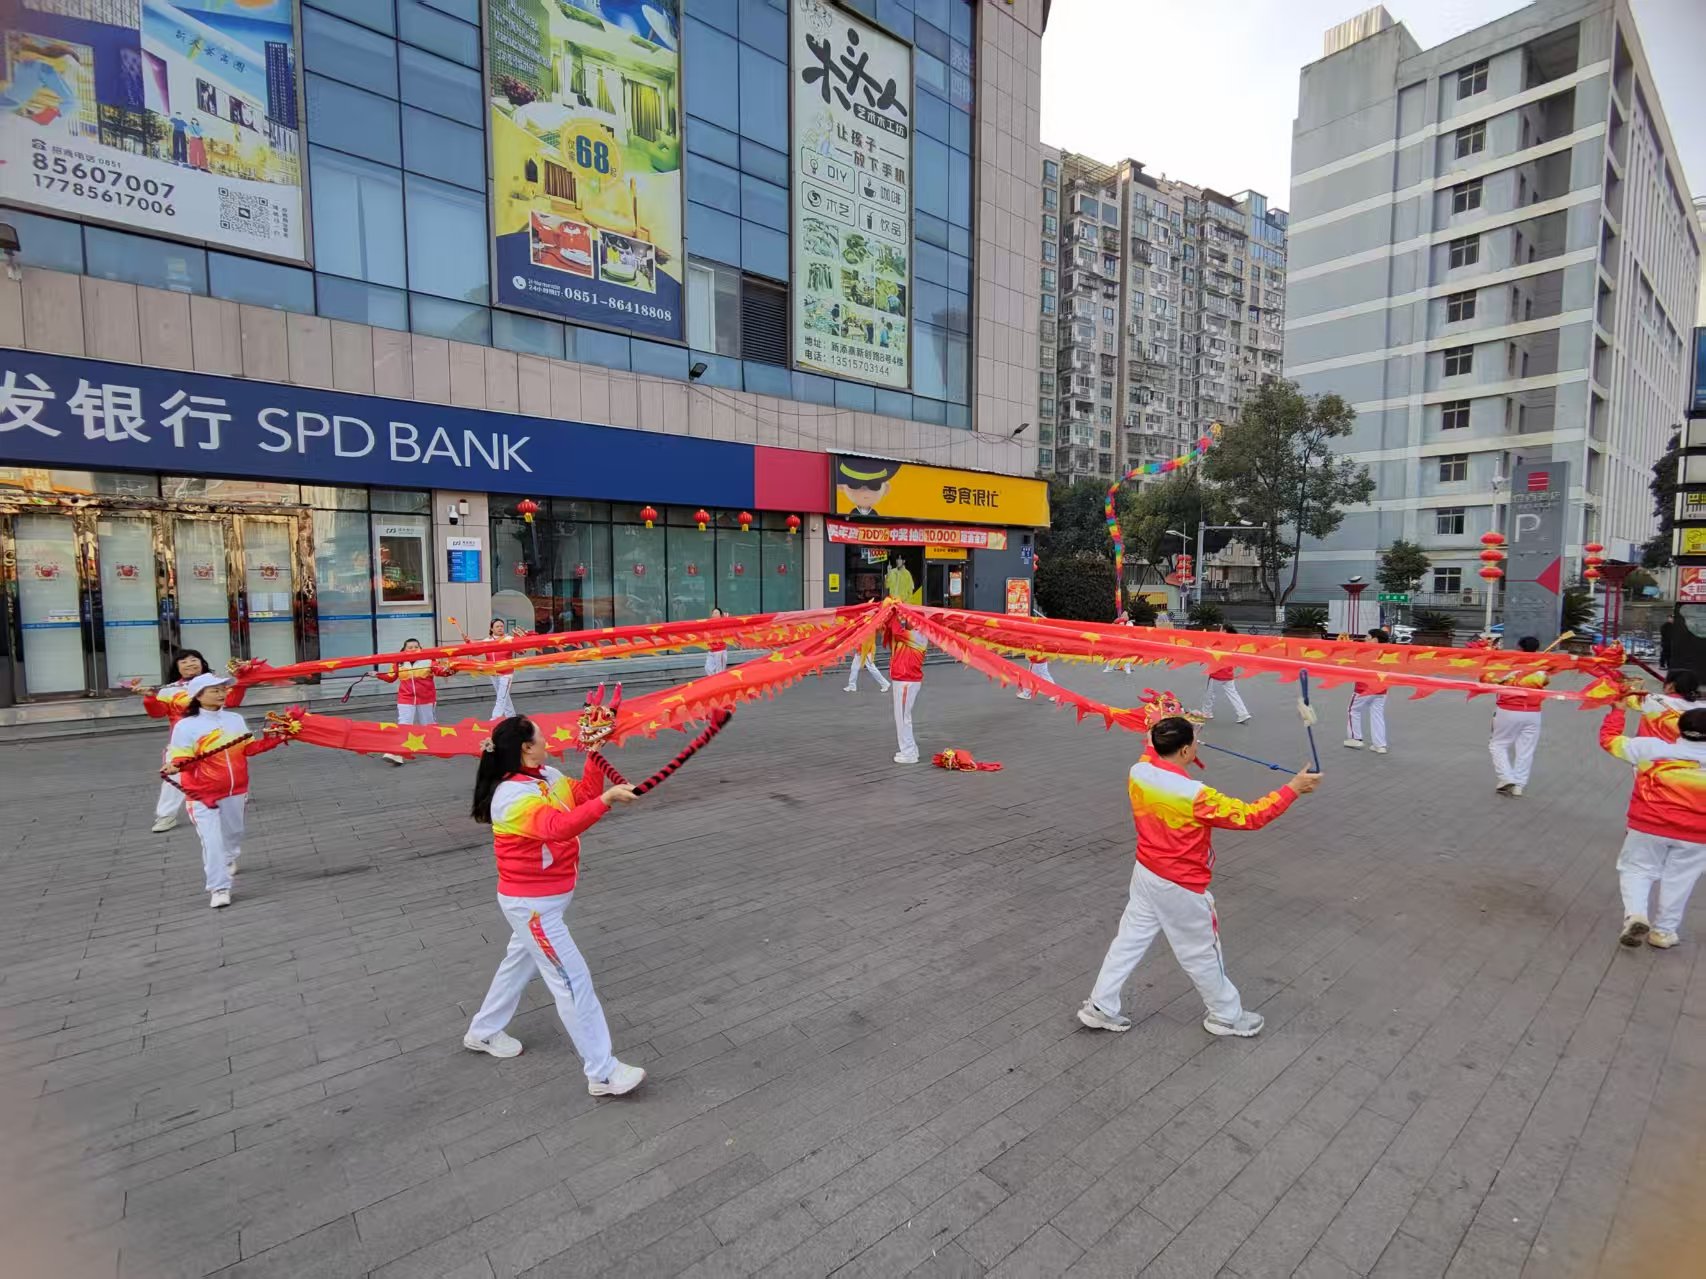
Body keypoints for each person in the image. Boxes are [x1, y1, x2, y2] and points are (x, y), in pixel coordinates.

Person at [1079, 715, 1321, 1038]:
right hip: (1180, 885)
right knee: (1201, 953)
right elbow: (1251, 815)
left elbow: (1151, 745)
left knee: (1128, 941)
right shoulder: (1195, 795)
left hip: (1147, 873)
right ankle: (1226, 1015)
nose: (1197, 746)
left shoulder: (1139, 771)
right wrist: (1293, 788)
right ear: (1183, 751)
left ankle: (1100, 1004)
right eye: (1194, 741)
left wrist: (1165, 725)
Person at [462, 716, 648, 1096]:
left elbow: (583, 795)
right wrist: (607, 801)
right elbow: (559, 827)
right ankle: (603, 1073)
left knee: (518, 963)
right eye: (540, 734)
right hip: (533, 908)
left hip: (543, 902)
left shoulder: (547, 775)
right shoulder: (511, 797)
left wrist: (594, 756)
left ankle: (483, 1031)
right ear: (526, 748)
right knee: (572, 982)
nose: (547, 738)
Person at [164, 673, 284, 909]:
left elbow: (248, 749)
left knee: (234, 834)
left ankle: (229, 857)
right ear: (198, 696)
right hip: (201, 793)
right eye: (214, 690)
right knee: (212, 841)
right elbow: (180, 756)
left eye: (223, 689)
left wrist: (274, 739)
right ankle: (219, 887)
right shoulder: (186, 726)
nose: (221, 694)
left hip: (236, 789)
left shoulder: (235, 719)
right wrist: (176, 764)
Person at [1599, 703, 1706, 950]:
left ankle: (1635, 914)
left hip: (1648, 825)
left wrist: (1617, 710)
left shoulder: (1650, 748)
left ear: (1679, 728)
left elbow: (1609, 740)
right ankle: (1663, 932)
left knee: (1637, 870)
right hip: (1698, 834)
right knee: (1680, 879)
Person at [139, 649, 246, 833]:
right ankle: (166, 816)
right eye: (183, 661)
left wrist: (243, 679)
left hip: (217, 738)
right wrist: (150, 697)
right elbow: (157, 713)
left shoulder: (217, 683)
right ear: (177, 667)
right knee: (174, 776)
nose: (189, 664)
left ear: (202, 663)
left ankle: (234, 796)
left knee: (229, 768)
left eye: (193, 660)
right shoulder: (169, 690)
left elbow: (233, 701)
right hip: (183, 742)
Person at [1488, 635, 1548, 796]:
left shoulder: (1510, 666)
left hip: (1508, 711)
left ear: (1519, 648)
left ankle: (1506, 777)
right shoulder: (1540, 668)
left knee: (1498, 744)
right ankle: (1519, 786)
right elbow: (1545, 681)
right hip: (1533, 713)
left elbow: (1489, 679)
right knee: (1526, 750)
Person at [376, 638, 448, 765]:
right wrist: (377, 674)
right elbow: (391, 677)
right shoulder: (399, 662)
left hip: (426, 698)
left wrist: (450, 669)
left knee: (428, 724)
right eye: (410, 647)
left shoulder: (429, 660)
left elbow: (440, 671)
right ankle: (397, 753)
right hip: (406, 698)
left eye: (416, 647)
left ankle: (433, 746)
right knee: (404, 725)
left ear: (420, 648)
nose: (413, 649)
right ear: (404, 649)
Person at [1344, 629, 1392, 754]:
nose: (1365, 639)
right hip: (1381, 690)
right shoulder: (1388, 653)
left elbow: (1352, 662)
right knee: (1377, 715)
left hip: (1363, 689)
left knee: (1353, 710)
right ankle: (1380, 745)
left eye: (1368, 637)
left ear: (1375, 640)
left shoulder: (1367, 652)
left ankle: (1355, 738)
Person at [1629, 668, 1704, 742]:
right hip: (1684, 748)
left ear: (1671, 685)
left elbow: (1629, 697)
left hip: (1649, 748)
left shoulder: (1652, 699)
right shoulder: (1702, 709)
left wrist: (1635, 684)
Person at [890, 622, 926, 764]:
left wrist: (892, 613)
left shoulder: (918, 635)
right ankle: (911, 749)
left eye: (909, 618)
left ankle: (909, 753)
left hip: (906, 681)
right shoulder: (909, 634)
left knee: (903, 718)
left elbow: (896, 631)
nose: (906, 620)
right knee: (903, 717)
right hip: (903, 679)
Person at [1198, 627, 1251, 723]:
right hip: (1229, 674)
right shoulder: (1234, 643)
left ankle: (1207, 712)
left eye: (1221, 629)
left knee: (1210, 694)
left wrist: (1204, 637)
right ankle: (1243, 713)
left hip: (1217, 673)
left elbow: (1209, 650)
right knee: (1233, 694)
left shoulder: (1220, 642)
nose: (1219, 631)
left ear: (1225, 631)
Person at [486, 619, 519, 720]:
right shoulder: (486, 641)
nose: (500, 628)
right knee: (504, 696)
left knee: (501, 697)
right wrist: (468, 641)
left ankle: (495, 718)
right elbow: (475, 652)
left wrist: (518, 639)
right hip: (493, 673)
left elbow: (521, 651)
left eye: (501, 626)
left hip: (506, 673)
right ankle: (512, 718)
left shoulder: (509, 639)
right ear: (492, 629)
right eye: (497, 626)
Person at [703, 608, 730, 678]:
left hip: (720, 651)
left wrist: (725, 619)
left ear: (720, 615)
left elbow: (728, 629)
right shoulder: (709, 624)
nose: (714, 614)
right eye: (713, 613)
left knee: (719, 672)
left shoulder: (723, 624)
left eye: (716, 613)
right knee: (708, 668)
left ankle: (719, 683)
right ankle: (715, 681)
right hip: (711, 650)